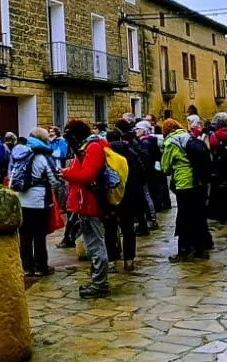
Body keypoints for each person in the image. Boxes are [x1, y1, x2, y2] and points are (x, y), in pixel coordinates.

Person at [59, 119, 111, 298]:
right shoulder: (87, 147)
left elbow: (88, 175)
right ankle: (98, 279)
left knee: (95, 245)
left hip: (90, 203)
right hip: (85, 203)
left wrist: (66, 174)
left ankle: (100, 283)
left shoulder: (92, 147)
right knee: (92, 244)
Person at [10, 128, 60, 277]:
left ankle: (26, 267)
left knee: (25, 236)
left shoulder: (20, 152)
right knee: (39, 234)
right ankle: (40, 267)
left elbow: (12, 174)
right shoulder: (43, 156)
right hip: (39, 201)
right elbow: (54, 180)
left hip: (21, 200)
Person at [161, 118, 211, 260]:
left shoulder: (170, 143)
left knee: (184, 216)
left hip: (184, 183)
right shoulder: (188, 137)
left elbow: (166, 168)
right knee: (199, 215)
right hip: (199, 181)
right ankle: (201, 249)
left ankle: (184, 250)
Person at [105, 129, 147, 272]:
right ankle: (129, 260)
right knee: (128, 229)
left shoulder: (106, 156)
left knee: (110, 229)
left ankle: (111, 260)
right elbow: (141, 173)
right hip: (129, 197)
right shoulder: (131, 153)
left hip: (111, 197)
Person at [135, 120, 171, 213]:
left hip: (151, 168)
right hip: (157, 166)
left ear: (144, 130)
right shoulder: (152, 139)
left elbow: (147, 157)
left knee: (153, 188)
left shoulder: (146, 142)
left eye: (138, 129)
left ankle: (156, 206)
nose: (136, 131)